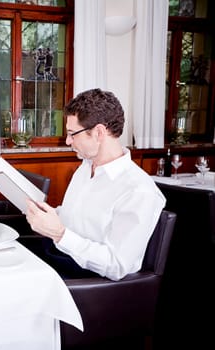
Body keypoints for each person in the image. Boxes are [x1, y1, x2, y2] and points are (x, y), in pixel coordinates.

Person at [25, 88, 165, 281]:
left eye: (73, 134)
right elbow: (76, 218)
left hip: (87, 282)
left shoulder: (139, 191)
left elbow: (116, 265)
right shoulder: (85, 167)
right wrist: (48, 214)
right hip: (58, 256)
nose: (67, 141)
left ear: (99, 132)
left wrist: (60, 234)